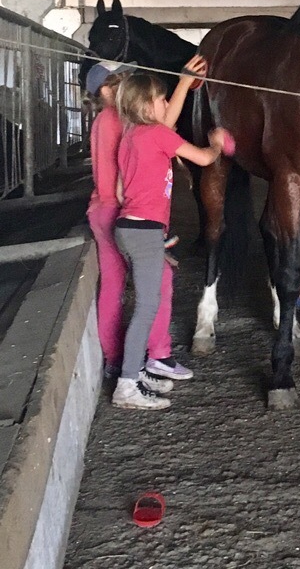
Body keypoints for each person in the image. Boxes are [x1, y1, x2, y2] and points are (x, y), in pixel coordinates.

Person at [110, 69, 227, 410]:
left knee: (157, 291)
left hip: (128, 227)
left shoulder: (130, 135)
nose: (166, 104)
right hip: (145, 232)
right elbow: (204, 158)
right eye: (162, 99)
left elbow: (120, 191)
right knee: (146, 308)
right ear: (148, 105)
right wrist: (217, 141)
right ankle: (126, 385)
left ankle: (142, 368)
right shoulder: (158, 136)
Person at [86, 56, 205, 388]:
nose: (129, 81)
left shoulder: (103, 120)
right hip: (124, 212)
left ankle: (115, 360)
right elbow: (163, 130)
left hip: (102, 209)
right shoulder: (121, 121)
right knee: (159, 282)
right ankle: (156, 355)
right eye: (124, 77)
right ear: (109, 89)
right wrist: (182, 82)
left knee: (112, 285)